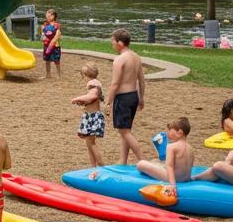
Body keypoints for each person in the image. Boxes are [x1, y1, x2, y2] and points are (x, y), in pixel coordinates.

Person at [107, 27, 145, 164]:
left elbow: (115, 83)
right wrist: (141, 98)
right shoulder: (136, 57)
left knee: (125, 132)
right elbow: (141, 79)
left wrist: (108, 101)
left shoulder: (119, 60)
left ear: (120, 43)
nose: (112, 45)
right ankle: (123, 160)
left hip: (123, 98)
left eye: (113, 42)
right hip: (133, 96)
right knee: (125, 130)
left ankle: (142, 160)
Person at [137, 117, 194, 188]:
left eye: (170, 130)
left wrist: (172, 185)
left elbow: (169, 167)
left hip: (173, 178)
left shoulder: (171, 146)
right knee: (159, 163)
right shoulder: (190, 148)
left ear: (179, 132)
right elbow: (190, 166)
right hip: (186, 179)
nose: (167, 132)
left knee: (141, 164)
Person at [72, 63, 105, 167]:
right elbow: (91, 99)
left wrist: (77, 99)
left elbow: (92, 96)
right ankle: (92, 167)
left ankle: (102, 167)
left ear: (86, 75)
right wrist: (83, 102)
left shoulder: (93, 84)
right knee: (89, 143)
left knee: (91, 143)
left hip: (92, 117)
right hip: (90, 116)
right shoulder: (96, 83)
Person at [41, 8, 61, 78]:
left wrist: (52, 43)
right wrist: (43, 36)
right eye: (47, 15)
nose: (48, 17)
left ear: (54, 16)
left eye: (50, 15)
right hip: (46, 45)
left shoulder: (57, 25)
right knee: (47, 60)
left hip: (55, 46)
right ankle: (48, 74)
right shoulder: (45, 25)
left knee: (56, 60)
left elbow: (57, 35)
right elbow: (43, 34)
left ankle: (58, 75)